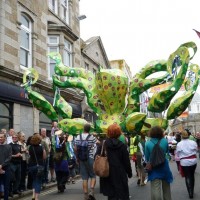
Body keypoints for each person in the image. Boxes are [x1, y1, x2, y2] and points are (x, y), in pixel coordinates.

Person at [97, 123, 132, 200]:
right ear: (119, 133)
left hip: (107, 173)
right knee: (122, 194)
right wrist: (129, 173)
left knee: (111, 196)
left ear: (108, 133)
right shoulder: (122, 146)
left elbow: (96, 156)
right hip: (120, 173)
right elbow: (126, 161)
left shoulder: (103, 144)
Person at [145, 126, 173, 200]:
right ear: (161, 132)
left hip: (154, 168)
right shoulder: (164, 141)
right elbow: (167, 152)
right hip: (164, 166)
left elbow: (147, 158)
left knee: (155, 188)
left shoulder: (147, 143)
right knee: (166, 188)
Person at [74, 123, 97, 200]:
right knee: (93, 175)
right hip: (90, 158)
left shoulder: (78, 137)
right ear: (89, 129)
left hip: (81, 159)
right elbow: (98, 143)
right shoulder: (92, 137)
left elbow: (75, 148)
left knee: (84, 178)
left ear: (83, 128)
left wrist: (77, 158)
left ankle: (85, 195)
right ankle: (92, 191)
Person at [176, 130, 198, 199]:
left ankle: (190, 193)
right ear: (188, 135)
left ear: (182, 136)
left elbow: (178, 154)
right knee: (192, 175)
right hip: (193, 161)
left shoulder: (179, 144)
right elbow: (196, 150)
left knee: (187, 177)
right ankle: (192, 190)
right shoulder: (193, 142)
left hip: (185, 162)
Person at [28, 133, 46, 200]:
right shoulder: (41, 147)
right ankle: (36, 197)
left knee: (34, 180)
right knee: (38, 181)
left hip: (31, 166)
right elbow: (44, 157)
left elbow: (30, 155)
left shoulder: (30, 147)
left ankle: (33, 195)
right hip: (39, 166)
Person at [0, 131, 12, 200]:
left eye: (1, 137)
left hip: (6, 169)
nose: (0, 138)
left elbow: (9, 158)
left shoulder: (9, 146)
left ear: (5, 138)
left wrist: (2, 165)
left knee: (6, 186)